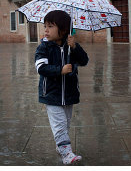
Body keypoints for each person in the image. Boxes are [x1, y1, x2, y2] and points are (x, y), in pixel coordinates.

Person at [35, 10, 89, 165]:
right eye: (45, 26)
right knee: (59, 125)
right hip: (51, 94)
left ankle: (61, 147)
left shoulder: (71, 46)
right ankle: (66, 154)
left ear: (64, 30)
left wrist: (75, 48)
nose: (46, 30)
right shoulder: (43, 48)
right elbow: (41, 68)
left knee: (65, 124)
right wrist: (60, 70)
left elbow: (84, 61)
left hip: (70, 94)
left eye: (50, 26)